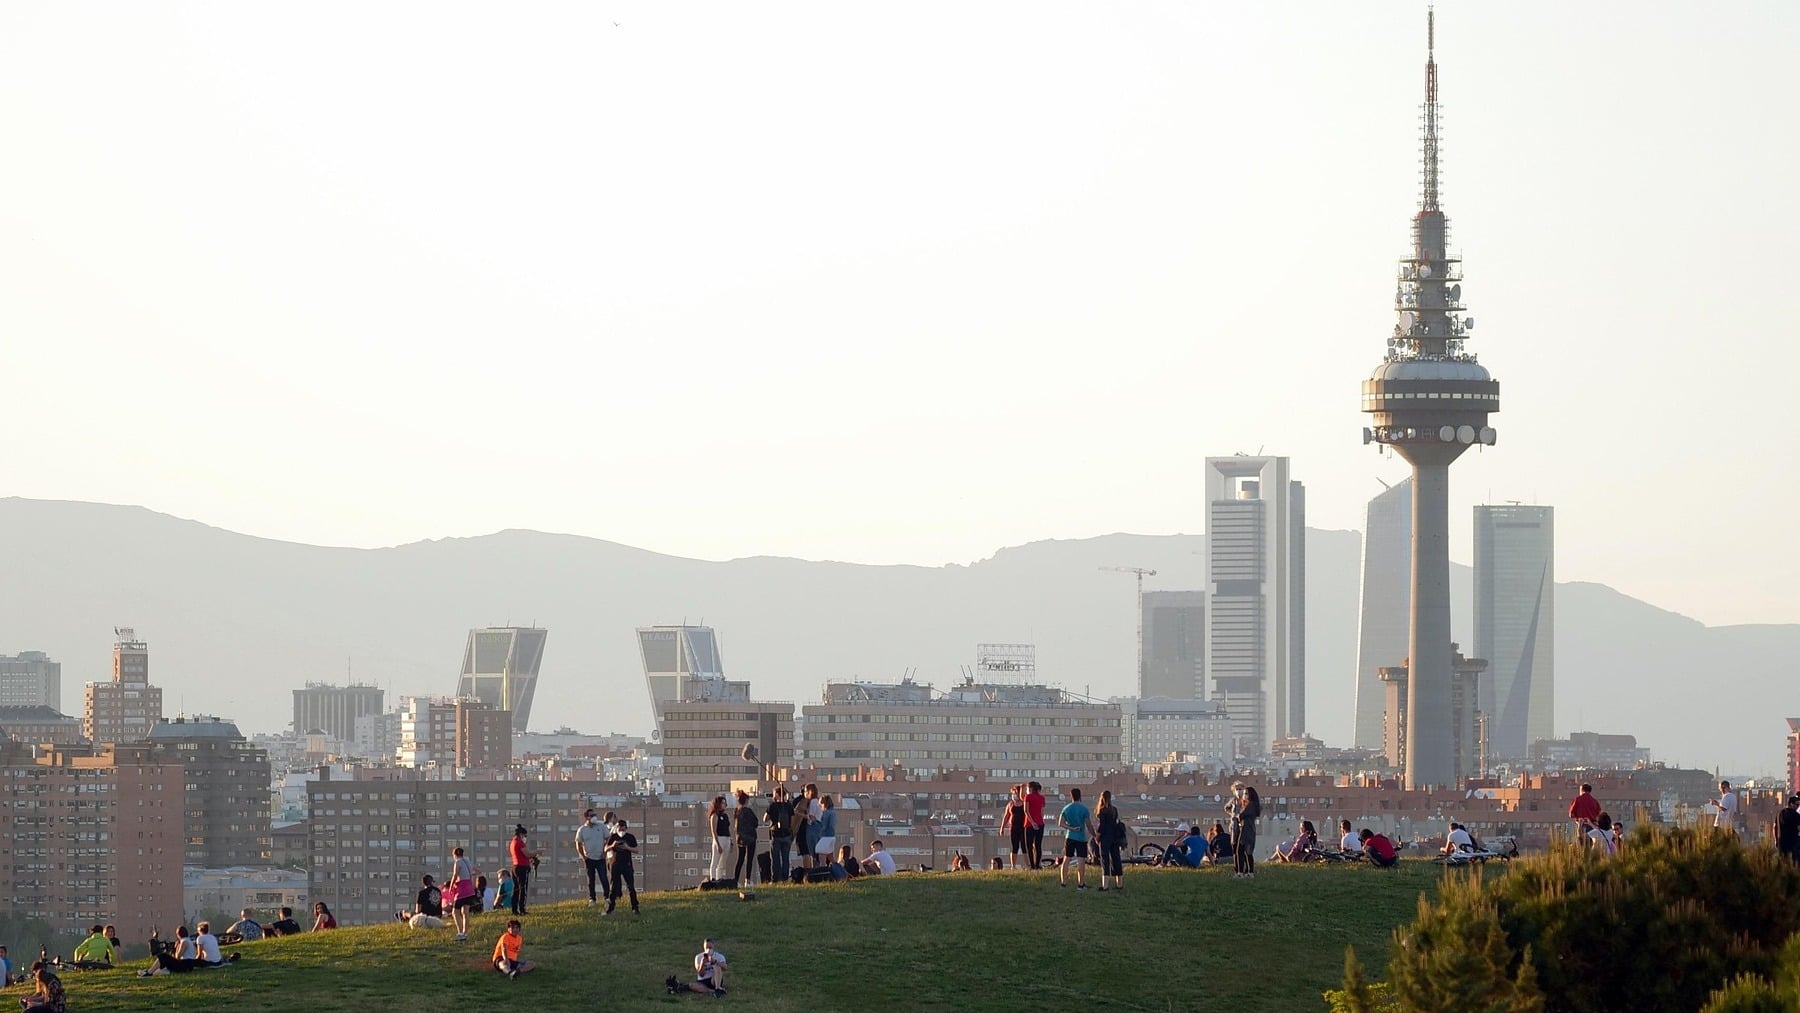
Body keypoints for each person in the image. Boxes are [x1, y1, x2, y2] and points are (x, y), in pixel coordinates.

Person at [1058, 787, 1096, 889]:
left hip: (1069, 837)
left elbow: (1060, 823)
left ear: (1071, 796)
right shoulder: (1084, 809)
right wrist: (1094, 835)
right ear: (1080, 796)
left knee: (1066, 859)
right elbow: (1088, 824)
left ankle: (1063, 883)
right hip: (1081, 838)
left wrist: (1071, 828)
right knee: (1081, 860)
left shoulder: (1066, 808)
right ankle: (1080, 884)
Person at [604, 817, 640, 915]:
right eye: (620, 828)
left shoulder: (630, 837)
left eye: (623, 828)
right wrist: (613, 845)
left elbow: (636, 850)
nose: (622, 830)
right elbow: (605, 849)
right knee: (614, 887)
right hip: (615, 864)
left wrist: (627, 847)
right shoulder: (613, 837)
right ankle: (611, 908)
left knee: (631, 887)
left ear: (626, 828)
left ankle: (635, 907)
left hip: (627, 864)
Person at [576, 808, 610, 907]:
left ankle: (607, 898)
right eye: (591, 815)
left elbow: (608, 838)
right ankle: (592, 899)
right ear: (587, 817)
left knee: (603, 878)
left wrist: (605, 851)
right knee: (591, 880)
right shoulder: (582, 829)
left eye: (594, 815)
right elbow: (578, 843)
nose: (594, 817)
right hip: (589, 858)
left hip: (600, 858)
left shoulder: (601, 826)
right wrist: (583, 857)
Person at [1229, 782, 1261, 879]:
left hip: (1245, 830)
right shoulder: (1254, 805)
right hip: (1250, 830)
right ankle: (1249, 872)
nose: (1244, 795)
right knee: (1248, 852)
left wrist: (1237, 816)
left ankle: (1240, 872)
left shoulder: (1250, 805)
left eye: (1246, 794)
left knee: (1239, 851)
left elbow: (1240, 816)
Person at [765, 785, 796, 885]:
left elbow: (765, 819)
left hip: (776, 835)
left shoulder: (772, 806)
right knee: (785, 857)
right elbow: (791, 822)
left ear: (777, 794)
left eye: (774, 794)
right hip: (786, 835)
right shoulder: (789, 806)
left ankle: (775, 879)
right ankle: (785, 878)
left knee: (775, 858)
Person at [1095, 789, 1125, 891]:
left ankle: (1105, 885)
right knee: (1116, 858)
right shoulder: (1114, 810)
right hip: (1115, 837)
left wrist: (1097, 837)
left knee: (1105, 860)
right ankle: (1119, 883)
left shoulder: (1102, 810)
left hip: (1105, 838)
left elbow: (1101, 826)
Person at [446, 845, 478, 940]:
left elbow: (455, 875)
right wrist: (469, 874)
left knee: (455, 912)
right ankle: (465, 933)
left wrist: (451, 886)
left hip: (461, 889)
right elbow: (477, 871)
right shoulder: (468, 862)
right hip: (469, 889)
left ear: (455, 855)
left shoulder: (458, 863)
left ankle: (460, 933)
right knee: (465, 912)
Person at [508, 824, 540, 915]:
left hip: (515, 867)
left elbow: (522, 856)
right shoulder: (519, 843)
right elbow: (527, 854)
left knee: (516, 889)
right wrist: (537, 852)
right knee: (522, 889)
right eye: (525, 836)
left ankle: (514, 909)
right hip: (521, 868)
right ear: (521, 834)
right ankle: (522, 909)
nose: (525, 838)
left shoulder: (513, 842)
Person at [732, 790, 760, 886]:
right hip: (750, 837)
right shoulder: (748, 811)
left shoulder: (736, 811)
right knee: (749, 859)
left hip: (740, 838)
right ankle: (747, 880)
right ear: (746, 801)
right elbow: (756, 822)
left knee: (740, 859)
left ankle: (735, 880)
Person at [1001, 784, 1027, 869]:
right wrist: (1002, 827)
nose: (1014, 794)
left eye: (1015, 792)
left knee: (1024, 847)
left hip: (1023, 828)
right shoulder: (1010, 804)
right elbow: (1006, 816)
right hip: (1013, 828)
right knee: (1014, 847)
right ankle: (1013, 866)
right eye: (1013, 793)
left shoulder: (1024, 803)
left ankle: (1028, 865)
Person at [707, 796, 732, 881]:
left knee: (723, 861)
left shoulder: (725, 815)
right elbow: (714, 831)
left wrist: (730, 841)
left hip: (726, 838)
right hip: (719, 838)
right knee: (715, 860)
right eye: (723, 803)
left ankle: (719, 877)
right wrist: (717, 844)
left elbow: (727, 828)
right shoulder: (714, 816)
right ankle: (713, 877)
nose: (725, 805)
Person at [1023, 781, 1047, 869]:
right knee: (1038, 845)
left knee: (1029, 845)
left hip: (1029, 824)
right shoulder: (1042, 798)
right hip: (1040, 823)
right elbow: (1042, 812)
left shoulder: (1027, 797)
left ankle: (1032, 865)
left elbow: (1026, 810)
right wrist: (1039, 821)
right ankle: (1037, 865)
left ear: (1031, 788)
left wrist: (1032, 822)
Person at [813, 795, 839, 867]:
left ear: (824, 803)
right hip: (832, 836)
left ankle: (823, 871)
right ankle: (839, 869)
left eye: (821, 804)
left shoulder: (826, 813)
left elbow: (823, 826)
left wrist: (815, 821)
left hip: (825, 837)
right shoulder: (833, 812)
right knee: (830, 857)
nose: (820, 806)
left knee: (821, 856)